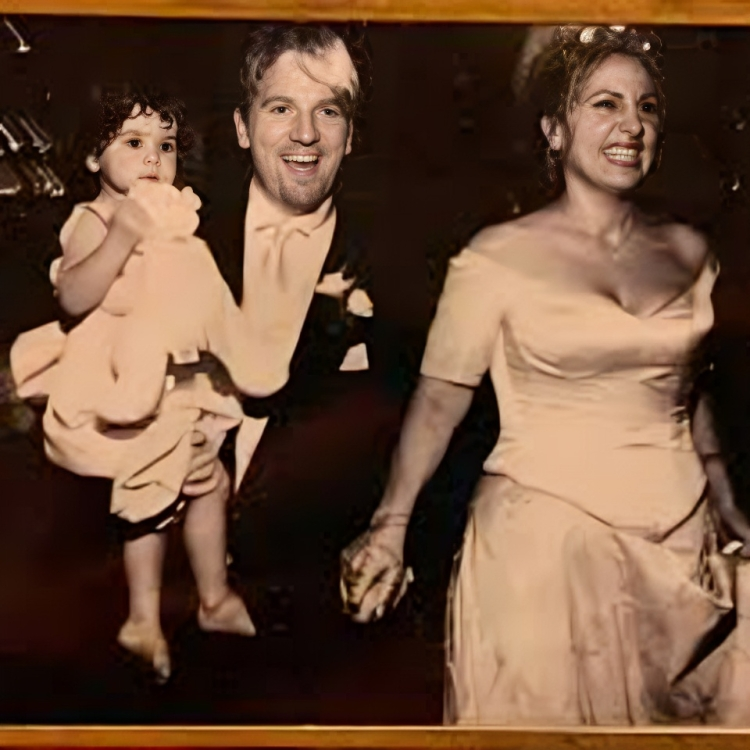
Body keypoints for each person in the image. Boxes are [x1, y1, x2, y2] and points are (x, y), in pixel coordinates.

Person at [340, 25, 750, 725]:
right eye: (605, 104)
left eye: (646, 107)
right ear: (554, 132)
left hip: (682, 553)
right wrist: (390, 524)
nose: (631, 125)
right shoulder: (496, 257)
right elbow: (440, 400)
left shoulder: (690, 251)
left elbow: (691, 388)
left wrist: (725, 496)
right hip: (542, 553)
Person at [9, 91, 279, 684]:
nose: (153, 158)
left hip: (178, 371)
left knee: (209, 481)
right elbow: (76, 297)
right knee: (150, 500)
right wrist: (125, 235)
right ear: (90, 159)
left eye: (166, 146)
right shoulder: (94, 220)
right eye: (133, 143)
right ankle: (141, 618)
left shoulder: (176, 218)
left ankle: (214, 599)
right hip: (118, 380)